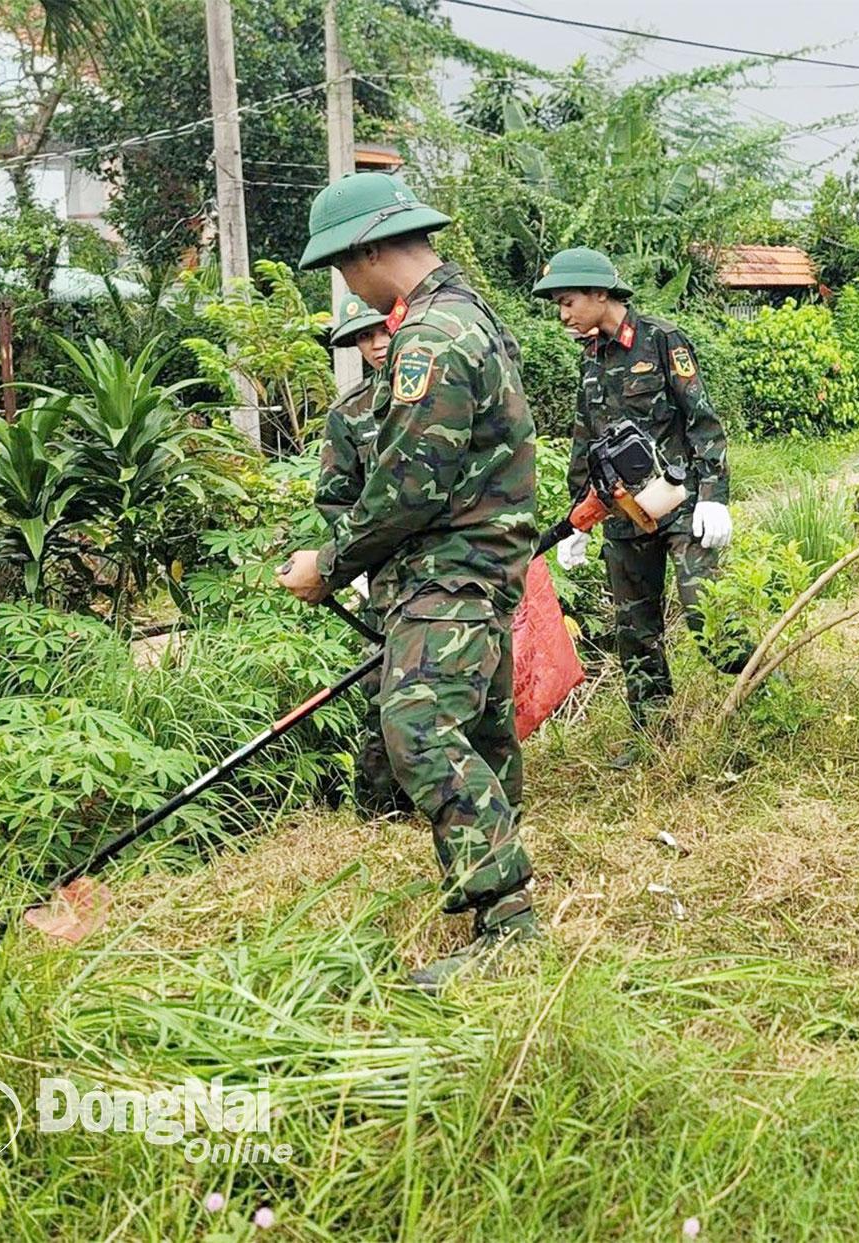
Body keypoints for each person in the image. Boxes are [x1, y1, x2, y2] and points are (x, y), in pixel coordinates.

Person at [278, 171, 540, 987]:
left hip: (450, 565)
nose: (348, 284)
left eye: (344, 266)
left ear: (366, 253)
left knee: (418, 727)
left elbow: (411, 483)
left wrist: (332, 564)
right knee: (485, 729)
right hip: (486, 562)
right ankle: (500, 872)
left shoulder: (430, 337)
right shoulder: (473, 315)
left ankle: (508, 924)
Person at [530, 247, 738, 766]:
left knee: (706, 618)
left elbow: (704, 424)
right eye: (557, 304)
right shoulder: (590, 358)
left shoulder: (663, 341)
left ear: (602, 294)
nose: (563, 314)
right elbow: (586, 439)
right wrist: (579, 515)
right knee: (634, 630)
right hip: (623, 514)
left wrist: (714, 498)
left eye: (569, 301)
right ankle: (654, 736)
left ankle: (767, 700)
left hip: (682, 505)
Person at [314, 293, 411, 815]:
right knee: (381, 684)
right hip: (385, 574)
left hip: (449, 564)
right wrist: (350, 558)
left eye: (382, 331)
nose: (376, 344)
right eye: (363, 337)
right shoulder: (349, 413)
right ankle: (380, 807)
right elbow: (335, 497)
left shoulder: (437, 390)